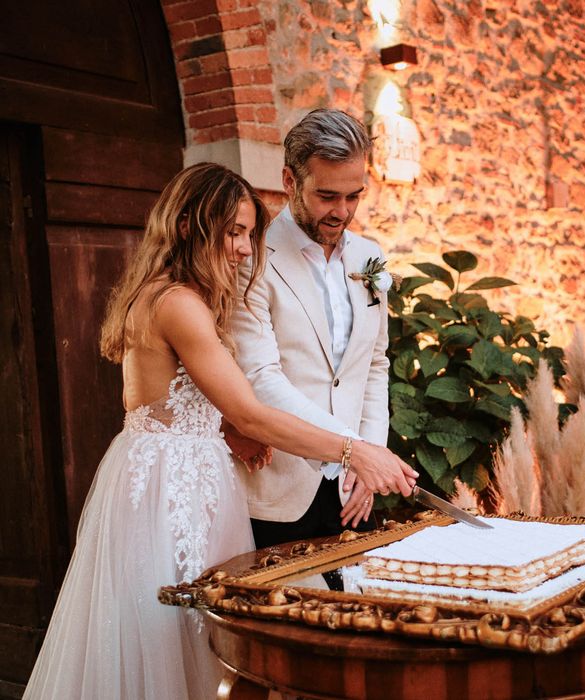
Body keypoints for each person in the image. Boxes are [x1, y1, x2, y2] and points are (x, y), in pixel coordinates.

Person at [22, 163, 418, 700]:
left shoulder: (174, 293)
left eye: (250, 233)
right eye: (231, 231)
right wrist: (354, 452)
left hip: (184, 473)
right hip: (171, 492)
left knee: (207, 640)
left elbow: (162, 403)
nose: (242, 248)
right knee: (181, 639)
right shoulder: (179, 304)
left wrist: (224, 432)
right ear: (187, 226)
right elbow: (251, 409)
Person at [228, 108, 396, 549]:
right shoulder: (252, 257)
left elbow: (374, 365)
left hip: (354, 491)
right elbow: (260, 379)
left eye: (354, 196)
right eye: (326, 196)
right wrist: (356, 450)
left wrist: (367, 460)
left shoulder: (369, 257)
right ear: (289, 180)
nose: (342, 212)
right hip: (277, 488)